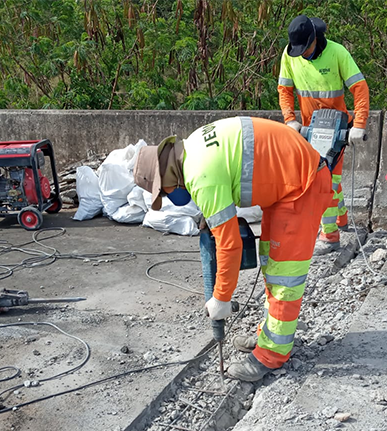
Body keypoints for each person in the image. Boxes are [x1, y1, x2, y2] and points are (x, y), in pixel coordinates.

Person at [133, 117, 334, 382]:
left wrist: (221, 299)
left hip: (303, 186)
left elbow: (230, 245)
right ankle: (269, 335)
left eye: (164, 191)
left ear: (167, 175)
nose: (170, 195)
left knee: (284, 275)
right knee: (271, 263)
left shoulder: (199, 175)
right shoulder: (192, 147)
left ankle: (271, 355)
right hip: (290, 182)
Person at [277, 15, 370, 255]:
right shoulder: (290, 55)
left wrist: (358, 125)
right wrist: (290, 120)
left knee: (325, 184)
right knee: (328, 181)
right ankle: (340, 220)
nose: (302, 54)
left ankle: (329, 237)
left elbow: (359, 88)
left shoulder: (337, 53)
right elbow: (284, 90)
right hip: (310, 128)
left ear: (315, 39)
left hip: (337, 126)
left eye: (305, 49)